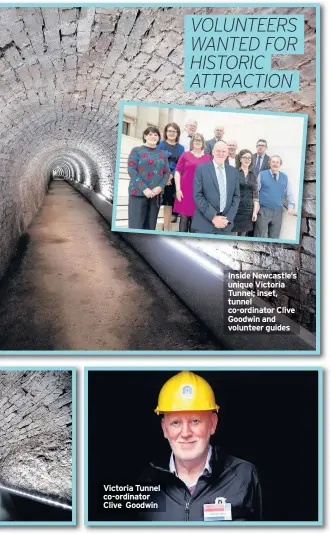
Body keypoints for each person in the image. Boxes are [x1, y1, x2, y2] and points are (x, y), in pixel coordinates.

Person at [140, 371, 262, 522]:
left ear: (212, 424)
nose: (185, 433)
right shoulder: (146, 483)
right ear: (165, 429)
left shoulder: (244, 476)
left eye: (195, 421)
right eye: (176, 423)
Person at [191, 141, 240, 234]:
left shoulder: (233, 172)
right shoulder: (201, 169)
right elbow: (197, 195)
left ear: (227, 153)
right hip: (204, 224)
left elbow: (236, 196)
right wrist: (213, 216)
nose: (221, 154)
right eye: (218, 151)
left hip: (225, 225)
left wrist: (228, 218)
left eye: (224, 151)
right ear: (213, 152)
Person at [127, 126, 171, 230]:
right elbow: (132, 170)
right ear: (145, 136)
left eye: (156, 135)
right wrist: (144, 188)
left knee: (150, 227)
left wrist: (160, 187)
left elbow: (167, 172)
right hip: (138, 193)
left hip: (155, 195)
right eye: (150, 134)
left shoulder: (162, 154)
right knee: (136, 226)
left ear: (159, 138)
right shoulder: (137, 150)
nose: (153, 136)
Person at [173, 133, 212, 232]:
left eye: (200, 140)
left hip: (200, 194)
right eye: (195, 140)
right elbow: (177, 172)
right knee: (184, 220)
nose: (197, 142)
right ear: (192, 142)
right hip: (185, 192)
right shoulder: (185, 155)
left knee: (196, 222)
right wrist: (178, 190)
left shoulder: (208, 158)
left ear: (203, 143)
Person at [254, 155, 295, 238]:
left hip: (278, 212)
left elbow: (289, 193)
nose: (275, 164)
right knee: (259, 236)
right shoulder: (262, 174)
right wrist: (256, 209)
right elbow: (256, 192)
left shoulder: (284, 177)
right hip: (263, 211)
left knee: (274, 238)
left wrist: (291, 206)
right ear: (270, 163)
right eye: (273, 162)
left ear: (280, 164)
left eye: (277, 162)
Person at [158, 123, 185, 231]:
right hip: (161, 176)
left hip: (174, 179)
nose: (171, 133)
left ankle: (166, 227)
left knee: (169, 204)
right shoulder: (161, 144)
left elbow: (181, 164)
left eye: (174, 131)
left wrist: (171, 175)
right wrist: (166, 175)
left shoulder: (181, 148)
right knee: (158, 203)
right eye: (169, 131)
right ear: (165, 132)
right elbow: (158, 161)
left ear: (177, 133)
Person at [232, 149, 260, 236]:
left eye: (249, 158)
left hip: (248, 210)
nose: (247, 160)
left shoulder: (253, 174)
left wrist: (255, 212)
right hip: (236, 209)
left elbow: (255, 196)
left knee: (243, 236)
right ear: (240, 159)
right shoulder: (234, 172)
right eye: (245, 157)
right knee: (232, 236)